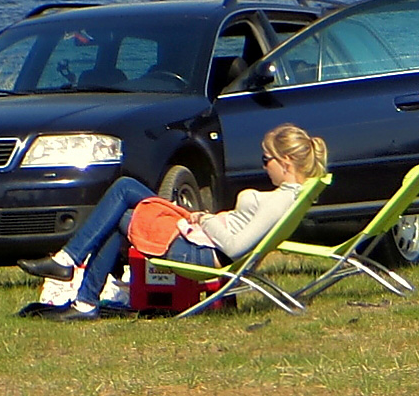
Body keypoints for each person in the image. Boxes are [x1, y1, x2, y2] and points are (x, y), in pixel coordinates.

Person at [17, 123, 329, 321]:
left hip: (203, 251)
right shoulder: (294, 195)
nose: (264, 166)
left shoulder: (279, 200)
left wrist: (206, 219)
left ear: (286, 163)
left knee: (122, 204)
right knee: (126, 193)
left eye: (266, 160)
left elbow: (234, 245)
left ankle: (76, 280)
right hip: (200, 239)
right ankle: (75, 280)